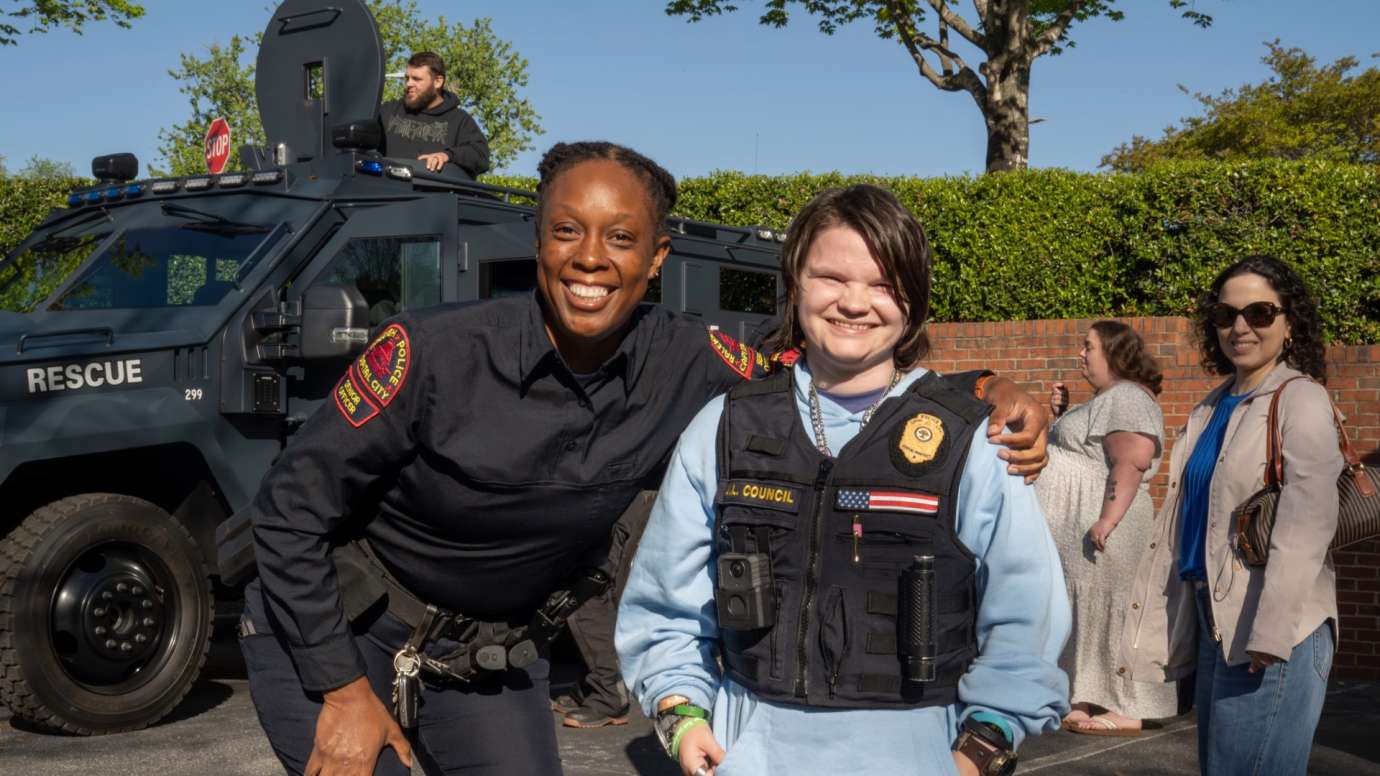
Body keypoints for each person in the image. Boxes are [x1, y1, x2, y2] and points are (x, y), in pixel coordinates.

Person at [239, 142, 1052, 776]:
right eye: (567, 231)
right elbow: (285, 514)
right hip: (339, 629)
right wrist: (341, 689)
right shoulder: (429, 355)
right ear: (538, 239)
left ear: (656, 258)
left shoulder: (695, 363)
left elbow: (839, 370)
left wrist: (983, 386)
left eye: (621, 238)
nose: (591, 258)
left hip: (486, 651)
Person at [616, 184, 1071, 776]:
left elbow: (1026, 611)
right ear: (795, 284)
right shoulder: (723, 426)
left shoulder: (973, 441)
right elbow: (665, 603)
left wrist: (982, 746)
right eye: (831, 277)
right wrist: (681, 714)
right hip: (748, 751)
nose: (855, 303)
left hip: (920, 755)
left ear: (913, 299)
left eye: (883, 284)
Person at [1121, 255, 1342, 775]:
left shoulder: (1300, 398)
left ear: (1290, 325)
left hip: (1273, 623)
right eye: (1226, 315)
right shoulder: (1213, 405)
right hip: (1215, 620)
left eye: (1260, 313)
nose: (1241, 326)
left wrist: (1271, 634)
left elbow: (1306, 525)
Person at [1035, 320, 1177, 735]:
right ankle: (1082, 696)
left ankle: (1129, 706)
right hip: (1085, 528)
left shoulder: (1128, 396)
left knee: (1114, 611)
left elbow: (1130, 459)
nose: (1081, 353)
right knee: (1085, 611)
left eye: (1089, 346)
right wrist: (1061, 417)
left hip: (1108, 526)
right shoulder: (1107, 398)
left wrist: (1108, 520)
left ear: (1114, 353)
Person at [379, 52, 490, 179]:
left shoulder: (460, 120)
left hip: (435, 196)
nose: (409, 84)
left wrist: (447, 156)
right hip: (386, 192)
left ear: (438, 81)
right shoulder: (389, 110)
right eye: (407, 78)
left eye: (417, 79)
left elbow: (480, 156)